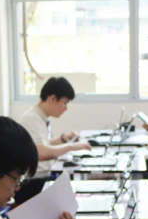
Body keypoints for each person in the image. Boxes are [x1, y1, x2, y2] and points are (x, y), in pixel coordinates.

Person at [15, 76, 91, 204]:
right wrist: (71, 147)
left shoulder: (39, 117)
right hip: (31, 185)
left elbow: (41, 144)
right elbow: (40, 152)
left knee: (76, 201)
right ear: (52, 99)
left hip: (41, 180)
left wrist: (63, 139)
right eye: (65, 103)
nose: (66, 108)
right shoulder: (32, 119)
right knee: (75, 208)